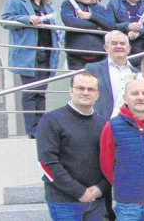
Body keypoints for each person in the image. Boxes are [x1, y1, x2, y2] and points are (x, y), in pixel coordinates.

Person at [37, 72, 108, 221]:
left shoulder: (104, 124)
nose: (85, 92)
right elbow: (47, 163)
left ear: (97, 94)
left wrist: (101, 188)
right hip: (64, 202)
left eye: (91, 89)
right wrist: (79, 192)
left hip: (96, 200)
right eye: (80, 88)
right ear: (71, 91)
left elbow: (111, 161)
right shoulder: (51, 120)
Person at [100, 80, 144, 220]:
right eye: (134, 93)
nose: (140, 97)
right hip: (128, 206)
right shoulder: (112, 126)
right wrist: (124, 185)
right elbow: (106, 164)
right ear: (125, 98)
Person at [1, 0, 60, 138]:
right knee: (30, 92)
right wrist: (27, 19)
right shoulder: (16, 1)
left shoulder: (47, 7)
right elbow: (5, 21)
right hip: (28, 55)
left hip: (46, 54)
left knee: (41, 93)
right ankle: (32, 130)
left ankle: (41, 128)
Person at [61, 0, 115, 70]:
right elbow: (70, 22)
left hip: (100, 58)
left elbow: (110, 25)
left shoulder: (100, 8)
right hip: (76, 59)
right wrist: (98, 25)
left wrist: (91, 16)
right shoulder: (68, 5)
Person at [85, 31, 140, 120]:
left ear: (129, 48)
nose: (119, 46)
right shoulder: (92, 69)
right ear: (106, 47)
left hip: (130, 125)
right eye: (114, 43)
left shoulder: (138, 73)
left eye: (122, 43)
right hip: (100, 123)